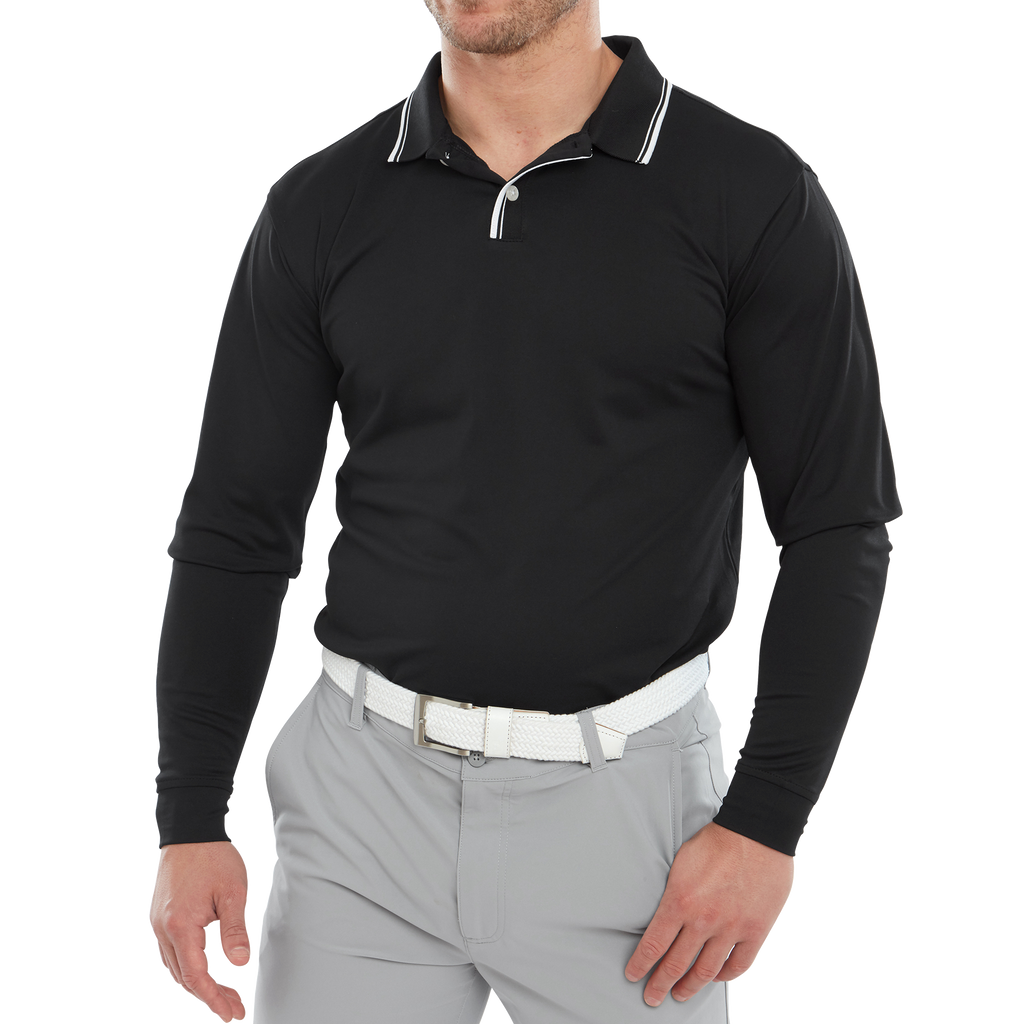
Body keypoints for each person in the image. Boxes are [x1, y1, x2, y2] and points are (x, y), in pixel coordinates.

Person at [146, 2, 904, 1022]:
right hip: (359, 813)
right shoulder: (321, 202)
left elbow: (837, 522)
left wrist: (766, 823)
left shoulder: (748, 188)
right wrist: (190, 814)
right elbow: (235, 527)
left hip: (633, 821)